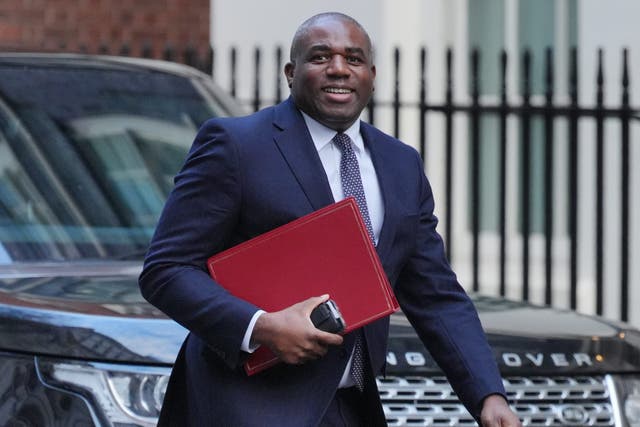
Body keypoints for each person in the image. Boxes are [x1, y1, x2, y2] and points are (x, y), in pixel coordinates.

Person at [139, 11, 522, 427]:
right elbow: (166, 270)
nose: (339, 69)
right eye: (321, 57)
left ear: (372, 74)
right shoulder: (236, 145)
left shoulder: (401, 164)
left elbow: (435, 293)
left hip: (351, 406)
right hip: (244, 405)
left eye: (353, 59)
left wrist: (487, 394)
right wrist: (262, 327)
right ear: (291, 72)